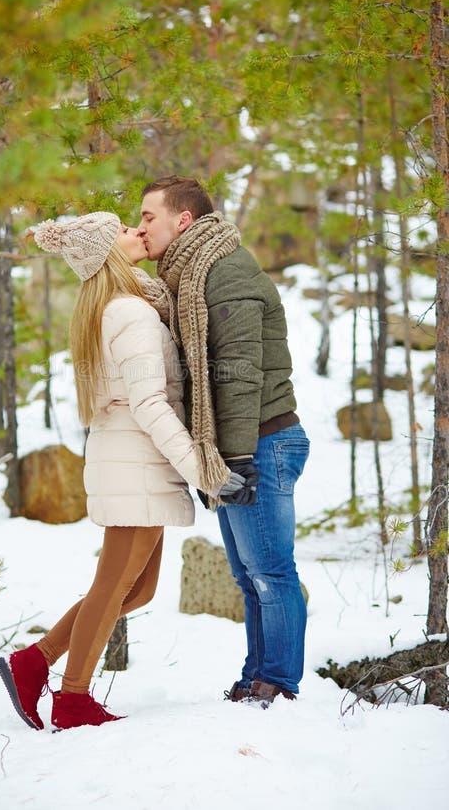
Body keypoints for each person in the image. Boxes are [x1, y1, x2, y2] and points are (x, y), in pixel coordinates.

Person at [0, 211, 241, 732]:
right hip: (136, 467)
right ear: (110, 251)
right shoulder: (129, 312)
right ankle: (74, 699)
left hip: (135, 464)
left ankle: (35, 661)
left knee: (137, 590)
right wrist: (204, 470)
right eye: (126, 231)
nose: (138, 232)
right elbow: (152, 403)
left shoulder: (121, 307)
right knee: (113, 588)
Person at [137, 176, 310, 707]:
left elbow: (236, 372)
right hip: (242, 441)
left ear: (182, 220)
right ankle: (257, 673)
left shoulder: (225, 271)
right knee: (247, 574)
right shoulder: (191, 274)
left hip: (261, 441)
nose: (141, 227)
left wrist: (230, 457)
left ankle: (277, 682)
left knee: (271, 571)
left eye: (148, 216)